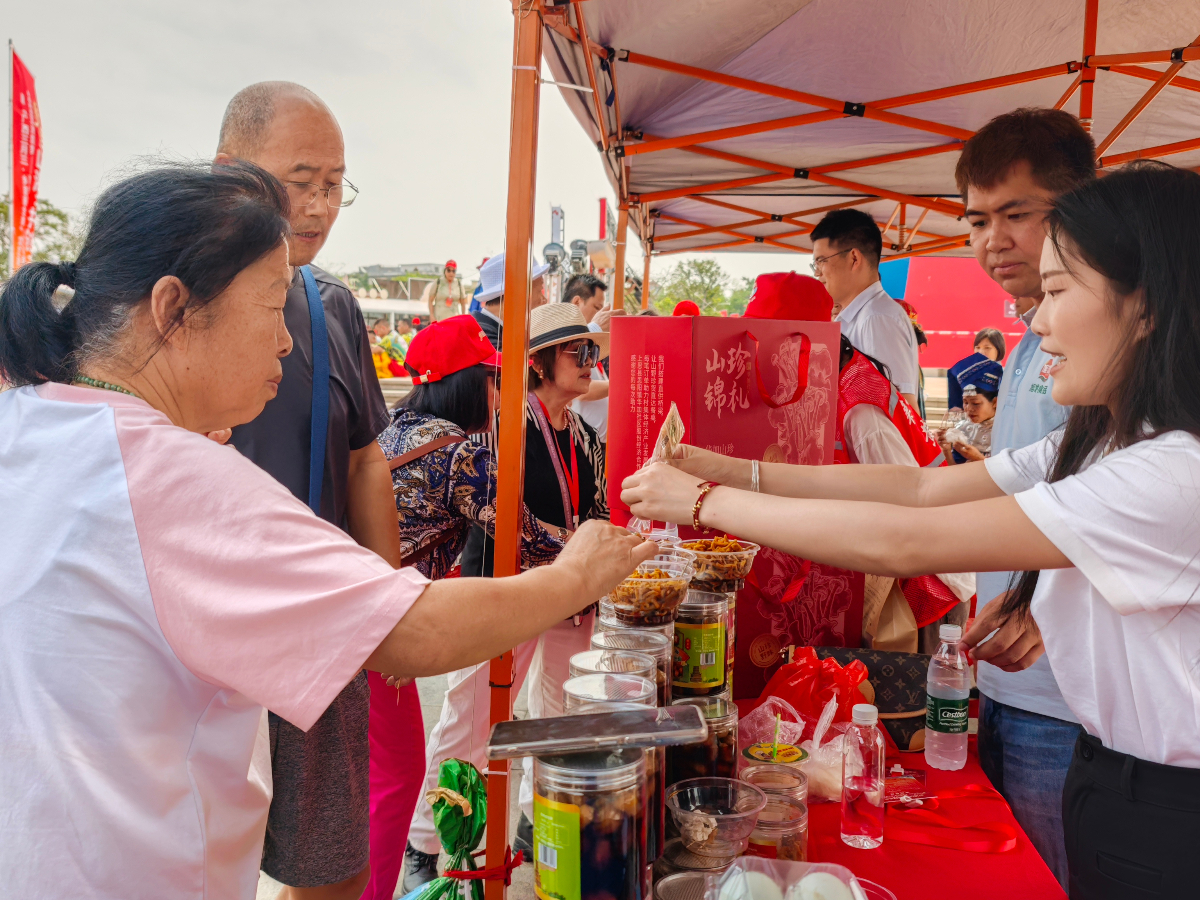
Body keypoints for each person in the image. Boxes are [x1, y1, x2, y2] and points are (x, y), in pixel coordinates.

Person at [0, 161, 656, 900]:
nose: (287, 342)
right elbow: (415, 632)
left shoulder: (30, 422)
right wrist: (575, 575)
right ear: (174, 308)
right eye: (273, 306)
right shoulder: (174, 478)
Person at [625, 162, 1200, 899]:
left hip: (1164, 803)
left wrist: (704, 501)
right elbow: (921, 487)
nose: (1036, 323)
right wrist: (730, 471)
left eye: (1059, 292)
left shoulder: (1170, 471)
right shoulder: (1101, 440)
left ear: (1146, 305)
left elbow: (907, 539)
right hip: (1111, 776)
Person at [214, 81, 403, 900]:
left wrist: (387, 606)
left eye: (336, 184)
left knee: (331, 866)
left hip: (313, 632)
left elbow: (364, 462)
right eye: (302, 180)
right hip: (197, 639)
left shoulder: (331, 308)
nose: (322, 205)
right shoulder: (162, 304)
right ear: (229, 170)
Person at [407, 303, 610, 885]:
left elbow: (595, 510)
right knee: (472, 716)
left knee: (561, 713)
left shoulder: (586, 436)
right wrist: (574, 554)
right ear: (540, 363)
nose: (590, 363)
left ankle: (534, 820)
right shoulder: (504, 426)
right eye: (579, 352)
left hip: (569, 595)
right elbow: (499, 517)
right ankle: (423, 842)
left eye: (593, 352)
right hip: (505, 592)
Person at [368, 316, 566, 900]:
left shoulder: (389, 429)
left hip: (356, 616)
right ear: (467, 385)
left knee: (372, 778)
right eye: (493, 381)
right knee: (400, 776)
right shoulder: (460, 454)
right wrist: (602, 548)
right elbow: (529, 538)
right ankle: (394, 874)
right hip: (379, 633)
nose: (500, 396)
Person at [955, 106, 1096, 887]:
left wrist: (1045, 602)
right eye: (978, 220)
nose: (993, 239)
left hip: (1069, 697)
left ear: (1079, 210)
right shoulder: (1027, 338)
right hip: (1008, 677)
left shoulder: (1105, 346)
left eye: (1016, 214)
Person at [745, 271, 970, 648]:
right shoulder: (822, 388)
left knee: (912, 682)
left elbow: (908, 500)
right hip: (885, 572)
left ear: (805, 344)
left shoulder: (860, 410)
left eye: (769, 345)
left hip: (927, 587)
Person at [811, 208, 920, 410]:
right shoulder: (862, 315)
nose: (817, 273)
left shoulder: (877, 318)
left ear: (854, 258)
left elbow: (901, 409)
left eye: (821, 261)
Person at [564, 272, 612, 440]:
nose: (601, 314)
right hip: (583, 441)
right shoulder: (566, 344)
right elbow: (582, 390)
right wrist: (623, 385)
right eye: (597, 308)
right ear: (577, 302)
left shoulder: (587, 343)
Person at [470, 251, 549, 351]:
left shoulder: (492, 332)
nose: (544, 300)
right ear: (517, 295)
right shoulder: (488, 343)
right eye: (539, 291)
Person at [938, 357, 1002, 464]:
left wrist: (979, 458)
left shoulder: (1005, 431)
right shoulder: (963, 429)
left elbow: (1009, 471)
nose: (969, 409)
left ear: (995, 402)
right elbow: (954, 471)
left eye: (976, 403)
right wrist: (946, 451)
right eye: (965, 402)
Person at [946, 329, 1006, 410]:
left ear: (998, 350)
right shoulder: (960, 375)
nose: (981, 352)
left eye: (987, 348)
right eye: (977, 347)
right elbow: (955, 406)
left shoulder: (1006, 376)